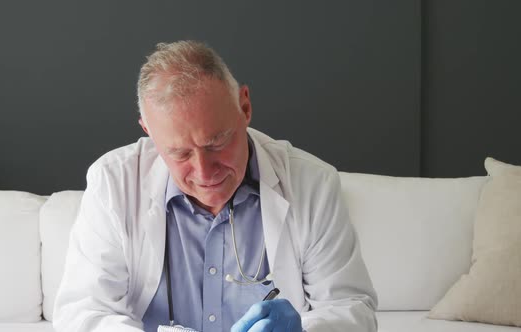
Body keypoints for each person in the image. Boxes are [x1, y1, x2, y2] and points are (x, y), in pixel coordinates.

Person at [53, 40, 377, 332]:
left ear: (245, 107)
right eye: (179, 153)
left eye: (217, 142)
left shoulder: (313, 183)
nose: (204, 171)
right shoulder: (113, 183)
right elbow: (84, 312)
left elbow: (352, 310)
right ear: (149, 132)